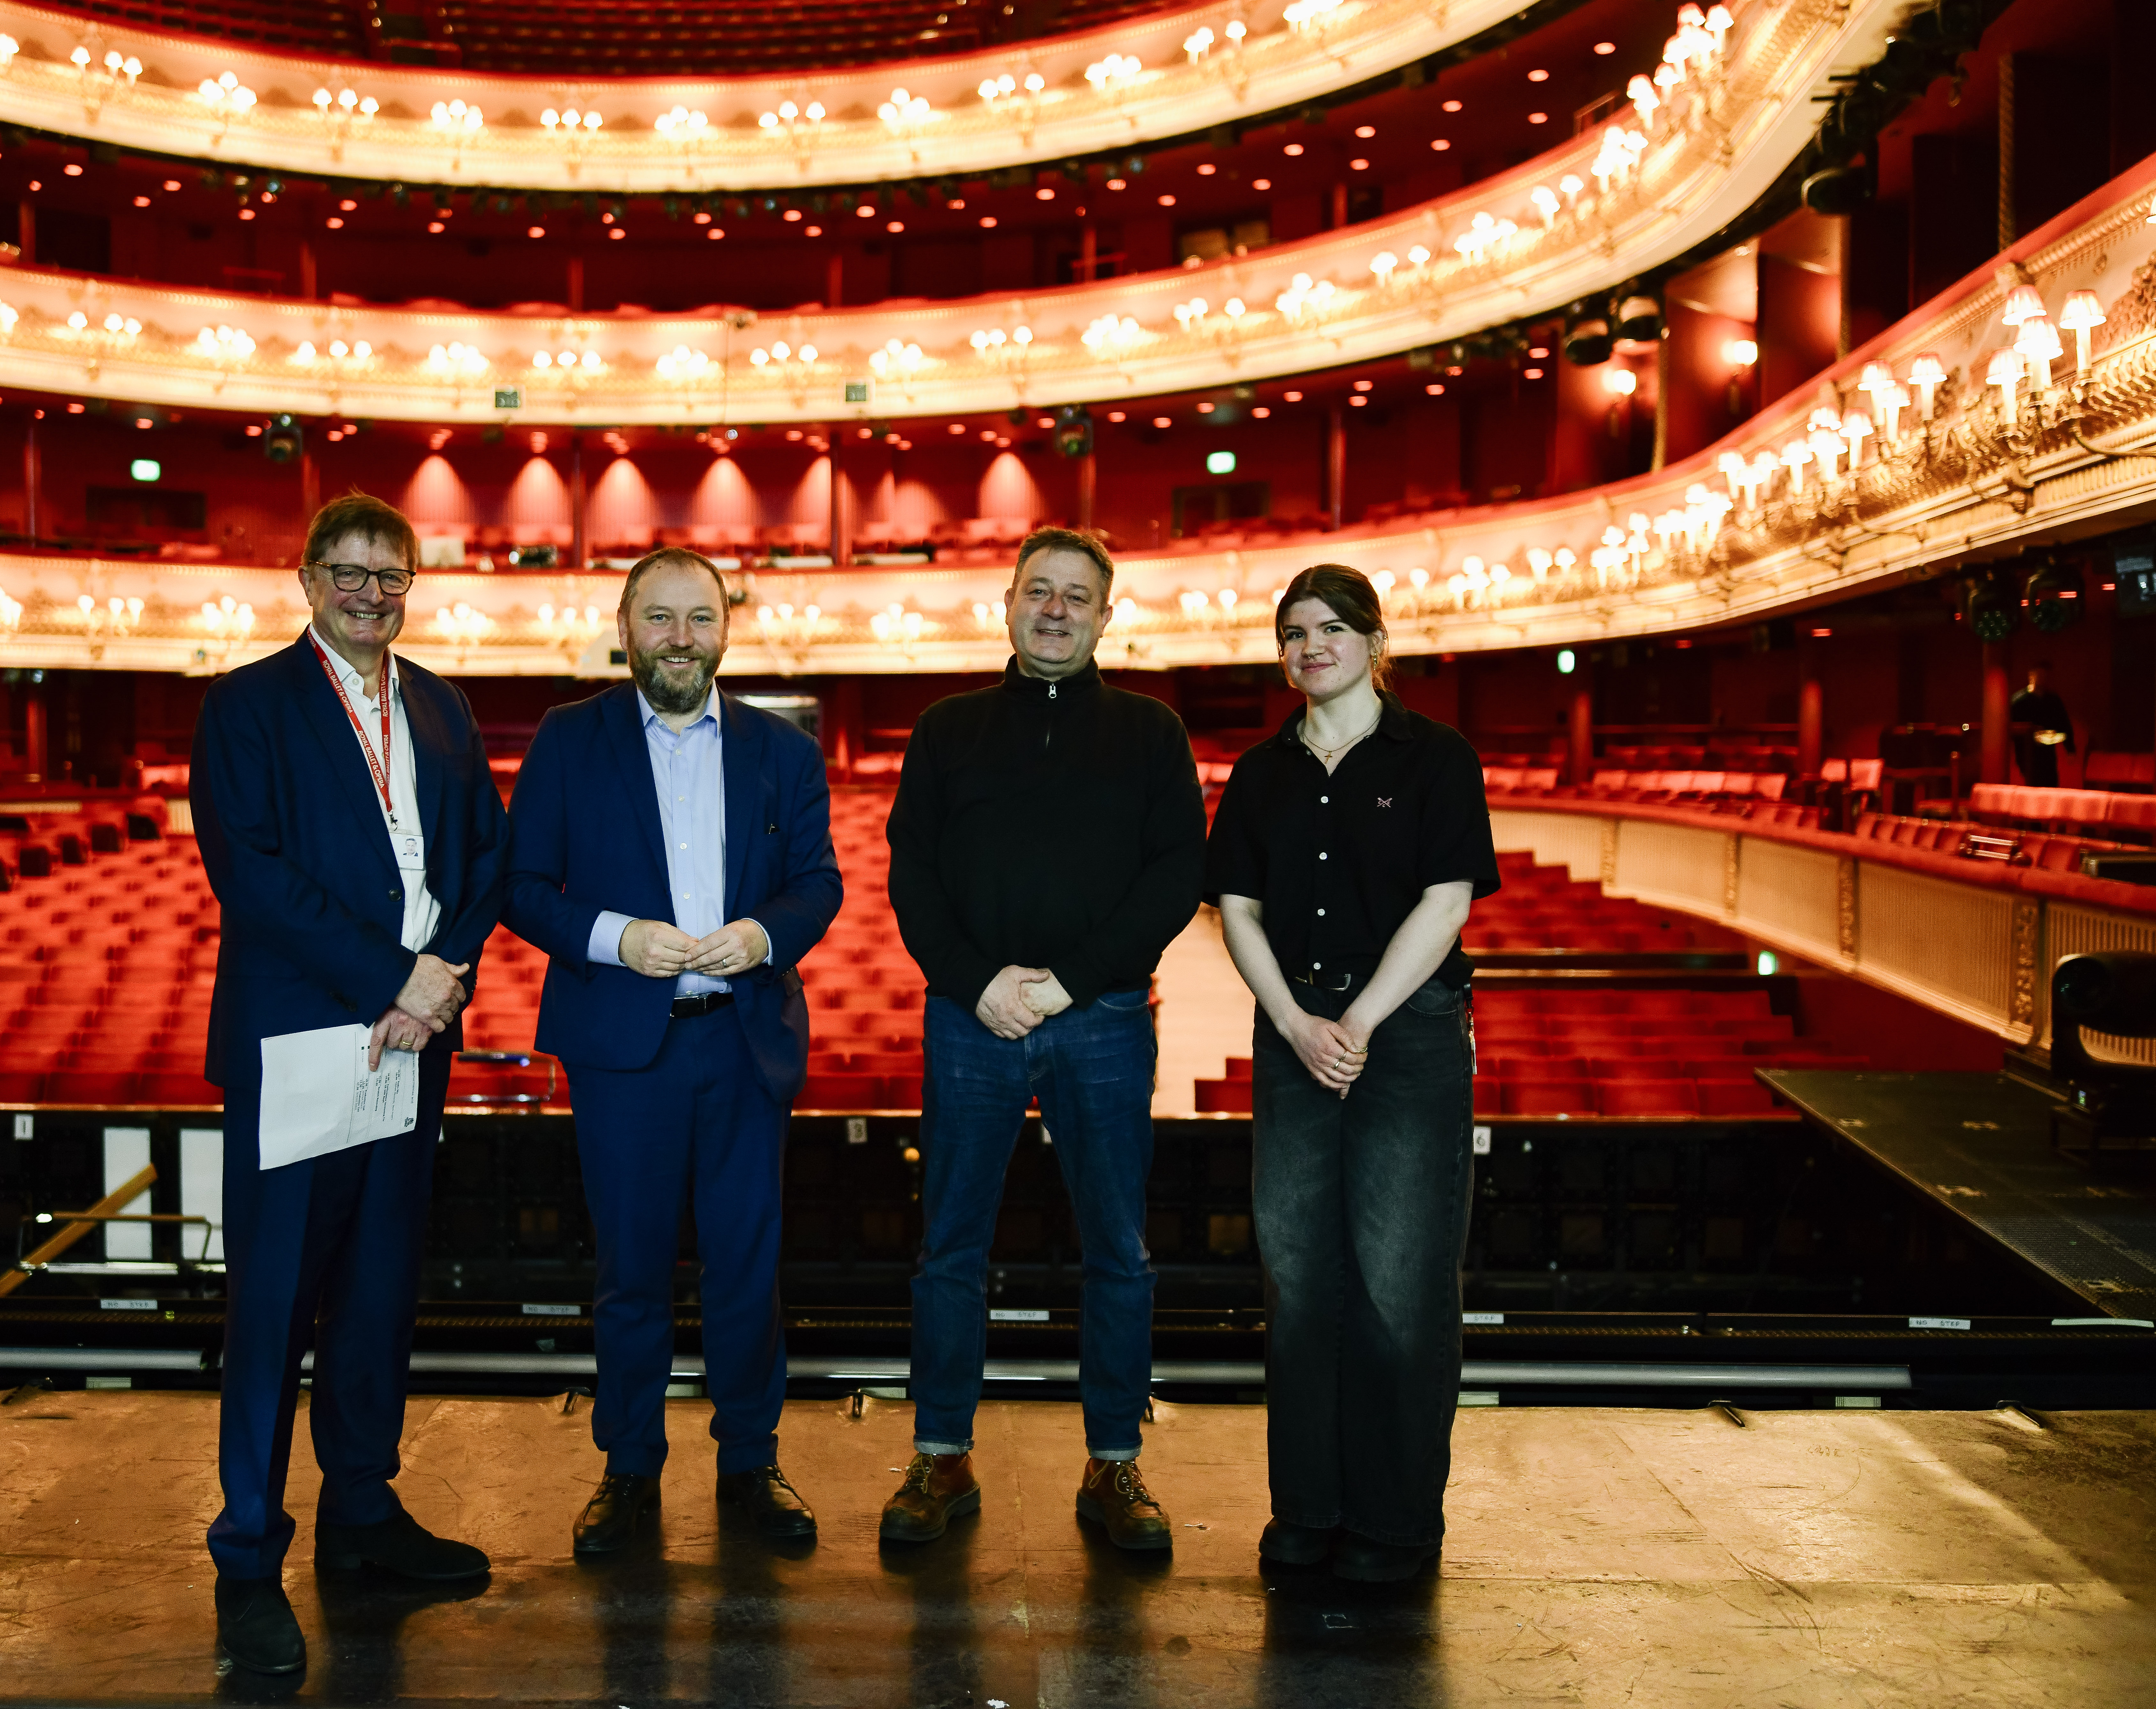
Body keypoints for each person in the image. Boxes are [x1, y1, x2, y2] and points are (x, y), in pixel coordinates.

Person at [189, 492, 510, 1675]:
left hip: (411, 1041)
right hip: (304, 1044)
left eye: (392, 574)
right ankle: (245, 1556)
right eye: (351, 571)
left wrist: (435, 986)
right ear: (309, 575)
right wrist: (398, 976)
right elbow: (253, 877)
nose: (372, 591)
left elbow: (486, 853)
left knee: (378, 1294)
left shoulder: (439, 702)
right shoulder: (246, 705)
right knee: (275, 1306)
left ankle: (362, 1512)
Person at [501, 547, 842, 1554]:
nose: (680, 638)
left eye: (699, 617)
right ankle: (629, 1469)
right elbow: (523, 887)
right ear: (625, 624)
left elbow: (817, 882)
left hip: (742, 1042)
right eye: (660, 618)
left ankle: (750, 1460)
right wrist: (619, 937)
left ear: (726, 627)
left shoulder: (783, 750)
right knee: (631, 1268)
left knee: (747, 1264)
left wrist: (764, 935)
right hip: (623, 1048)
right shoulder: (568, 740)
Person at [878, 527, 1207, 1551]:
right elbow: (911, 873)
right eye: (1039, 592)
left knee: (1117, 1250)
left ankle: (1114, 1462)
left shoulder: (1152, 731)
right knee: (949, 1250)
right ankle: (941, 1452)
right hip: (973, 1019)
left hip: (1101, 1016)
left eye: (1078, 596)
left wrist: (1067, 982)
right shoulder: (947, 727)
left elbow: (1173, 875)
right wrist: (981, 984)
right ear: (1007, 603)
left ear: (1106, 618)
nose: (1056, 610)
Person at [1206, 563, 1499, 1584]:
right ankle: (1309, 1509)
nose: (1309, 645)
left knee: (1402, 1284)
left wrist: (1359, 1019)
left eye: (1331, 627)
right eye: (1292, 632)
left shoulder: (1435, 758)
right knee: (1299, 1279)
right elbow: (1235, 908)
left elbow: (1448, 900)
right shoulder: (1260, 773)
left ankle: (1394, 1520)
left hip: (1406, 1031)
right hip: (1297, 1032)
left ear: (1376, 640)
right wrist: (1295, 1021)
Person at [2009, 666, 2075, 788]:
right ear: (2031, 676)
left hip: (2048, 752)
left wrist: (2070, 749)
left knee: (2050, 783)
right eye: (2039, 675)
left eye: (2045, 676)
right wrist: (2031, 734)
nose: (2042, 679)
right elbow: (2011, 728)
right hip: (2026, 753)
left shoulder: (2053, 700)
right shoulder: (2019, 701)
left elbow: (2064, 723)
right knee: (2031, 784)